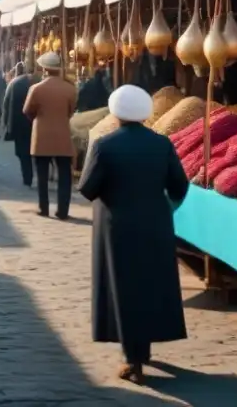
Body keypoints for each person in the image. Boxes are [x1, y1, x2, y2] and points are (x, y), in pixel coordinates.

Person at [78, 84, 190, 385]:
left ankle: (133, 360)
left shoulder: (104, 145)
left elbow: (87, 188)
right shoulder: (162, 144)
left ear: (115, 113)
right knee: (149, 286)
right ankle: (144, 349)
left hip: (117, 226)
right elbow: (180, 186)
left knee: (124, 289)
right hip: (155, 223)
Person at [23, 52, 78, 218]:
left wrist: (38, 118)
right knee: (64, 175)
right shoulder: (70, 88)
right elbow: (71, 110)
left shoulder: (36, 89)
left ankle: (43, 208)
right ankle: (63, 210)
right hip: (62, 133)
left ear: (44, 69)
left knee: (42, 174)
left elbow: (27, 110)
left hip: (41, 135)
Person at [2, 61, 39, 187]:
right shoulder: (36, 83)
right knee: (33, 149)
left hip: (17, 123)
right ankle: (33, 173)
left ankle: (27, 177)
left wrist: (5, 124)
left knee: (22, 151)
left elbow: (6, 105)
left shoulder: (13, 83)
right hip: (33, 122)